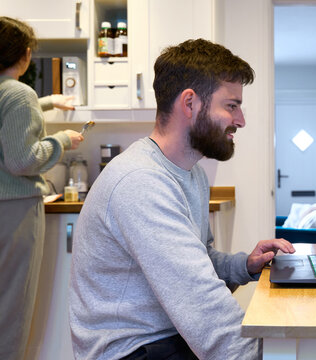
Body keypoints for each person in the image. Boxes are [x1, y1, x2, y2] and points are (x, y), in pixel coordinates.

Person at [69, 38, 295, 360]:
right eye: (231, 106)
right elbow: (201, 305)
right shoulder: (140, 181)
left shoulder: (191, 173)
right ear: (190, 103)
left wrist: (243, 266)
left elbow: (197, 260)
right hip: (134, 351)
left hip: (171, 337)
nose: (241, 120)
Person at [0, 16, 84, 360]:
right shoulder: (20, 94)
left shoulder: (16, 96)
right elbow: (21, 161)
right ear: (25, 55)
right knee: (11, 307)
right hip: (14, 210)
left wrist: (48, 101)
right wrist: (62, 140)